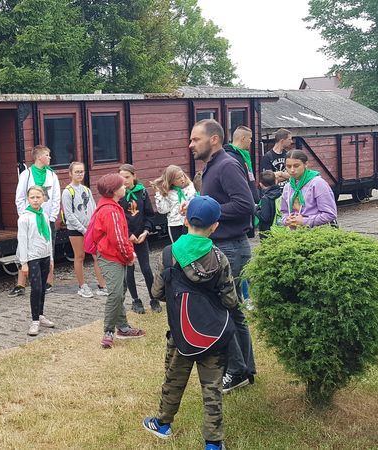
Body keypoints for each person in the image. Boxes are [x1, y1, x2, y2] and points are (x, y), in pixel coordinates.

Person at [143, 196, 238, 450]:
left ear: (185, 220)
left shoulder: (168, 254)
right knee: (212, 388)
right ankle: (213, 443)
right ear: (215, 226)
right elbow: (230, 300)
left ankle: (163, 424)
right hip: (213, 335)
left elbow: (157, 293)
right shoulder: (219, 258)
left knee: (174, 379)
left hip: (180, 332)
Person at [187, 119, 256, 394]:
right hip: (225, 246)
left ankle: (236, 371)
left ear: (213, 139)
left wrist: (207, 210)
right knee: (233, 311)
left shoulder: (227, 165)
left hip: (231, 247)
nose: (191, 144)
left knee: (225, 311)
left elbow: (245, 204)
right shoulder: (212, 166)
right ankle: (244, 369)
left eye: (196, 139)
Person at [90, 173, 145, 348]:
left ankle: (123, 327)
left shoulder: (110, 206)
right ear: (113, 191)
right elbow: (119, 239)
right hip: (111, 256)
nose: (125, 186)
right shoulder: (111, 211)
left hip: (113, 254)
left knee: (120, 291)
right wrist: (130, 256)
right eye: (121, 185)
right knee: (115, 293)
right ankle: (108, 331)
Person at [11, 145, 61, 297]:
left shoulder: (52, 175)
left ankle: (48, 282)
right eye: (47, 155)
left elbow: (56, 197)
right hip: (30, 217)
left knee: (49, 248)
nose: (49, 158)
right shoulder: (26, 174)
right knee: (24, 247)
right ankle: (20, 284)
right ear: (39, 157)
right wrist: (25, 215)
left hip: (46, 218)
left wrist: (52, 217)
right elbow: (20, 197)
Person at [62, 161, 108, 298]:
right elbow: (69, 214)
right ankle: (82, 285)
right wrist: (82, 229)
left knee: (97, 256)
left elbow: (93, 208)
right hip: (76, 229)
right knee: (80, 256)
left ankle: (102, 285)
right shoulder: (67, 192)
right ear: (70, 174)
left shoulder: (86, 190)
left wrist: (95, 226)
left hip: (90, 228)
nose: (80, 174)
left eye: (81, 171)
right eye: (76, 172)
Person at [118, 164, 159, 314]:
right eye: (121, 177)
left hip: (141, 237)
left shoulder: (142, 192)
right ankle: (136, 300)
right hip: (126, 238)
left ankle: (153, 298)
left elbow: (149, 214)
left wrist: (146, 231)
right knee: (129, 269)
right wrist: (128, 234)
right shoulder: (118, 194)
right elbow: (119, 219)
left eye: (127, 177)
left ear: (134, 176)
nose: (125, 180)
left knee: (146, 269)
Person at [18, 185, 56, 336]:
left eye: (38, 197)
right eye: (32, 197)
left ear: (43, 198)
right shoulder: (25, 217)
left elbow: (49, 238)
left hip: (45, 256)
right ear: (28, 199)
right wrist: (24, 263)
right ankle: (34, 320)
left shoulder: (44, 215)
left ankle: (40, 315)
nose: (35, 200)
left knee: (43, 288)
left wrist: (51, 258)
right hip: (32, 258)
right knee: (36, 288)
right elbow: (22, 240)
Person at [279, 149, 338, 228]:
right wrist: (286, 220)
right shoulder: (288, 187)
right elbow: (284, 212)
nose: (292, 170)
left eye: (296, 166)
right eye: (288, 166)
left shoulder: (318, 183)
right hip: (295, 233)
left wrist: (304, 221)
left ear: (306, 164)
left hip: (319, 232)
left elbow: (330, 214)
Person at [223, 125, 260, 238]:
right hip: (240, 205)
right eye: (250, 138)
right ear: (243, 138)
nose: (251, 141)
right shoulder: (231, 158)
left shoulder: (243, 156)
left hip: (249, 203)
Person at [152, 165, 196, 243]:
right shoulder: (167, 192)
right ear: (171, 181)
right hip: (175, 224)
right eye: (178, 178)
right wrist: (158, 194)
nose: (182, 179)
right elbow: (163, 210)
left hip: (190, 222)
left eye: (182, 175)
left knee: (192, 245)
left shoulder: (190, 187)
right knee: (178, 247)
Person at [255, 170, 283, 235]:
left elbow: (265, 218)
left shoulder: (265, 198)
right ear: (276, 181)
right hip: (279, 228)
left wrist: (256, 209)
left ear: (261, 184)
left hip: (267, 231)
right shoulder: (281, 193)